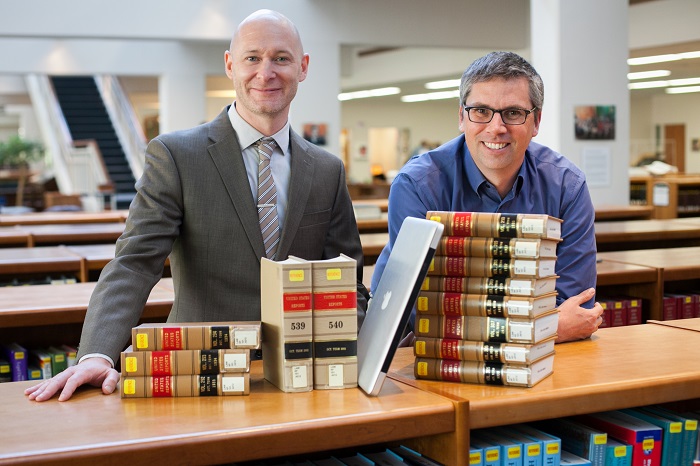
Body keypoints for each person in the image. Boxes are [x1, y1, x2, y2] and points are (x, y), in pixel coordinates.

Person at [26, 9, 369, 402]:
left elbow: (348, 280)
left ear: (303, 67)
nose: (266, 72)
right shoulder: (176, 155)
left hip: (302, 376)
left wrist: (356, 348)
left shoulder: (326, 169)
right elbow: (135, 262)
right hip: (202, 372)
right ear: (230, 65)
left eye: (281, 58)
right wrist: (97, 353)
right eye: (252, 58)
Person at [371, 51, 604, 344]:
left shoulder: (567, 186)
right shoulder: (417, 185)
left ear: (536, 122)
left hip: (542, 361)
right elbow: (422, 313)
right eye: (481, 111)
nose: (496, 127)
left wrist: (485, 325)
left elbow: (575, 303)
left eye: (513, 113)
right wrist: (545, 327)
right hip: (429, 357)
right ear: (461, 117)